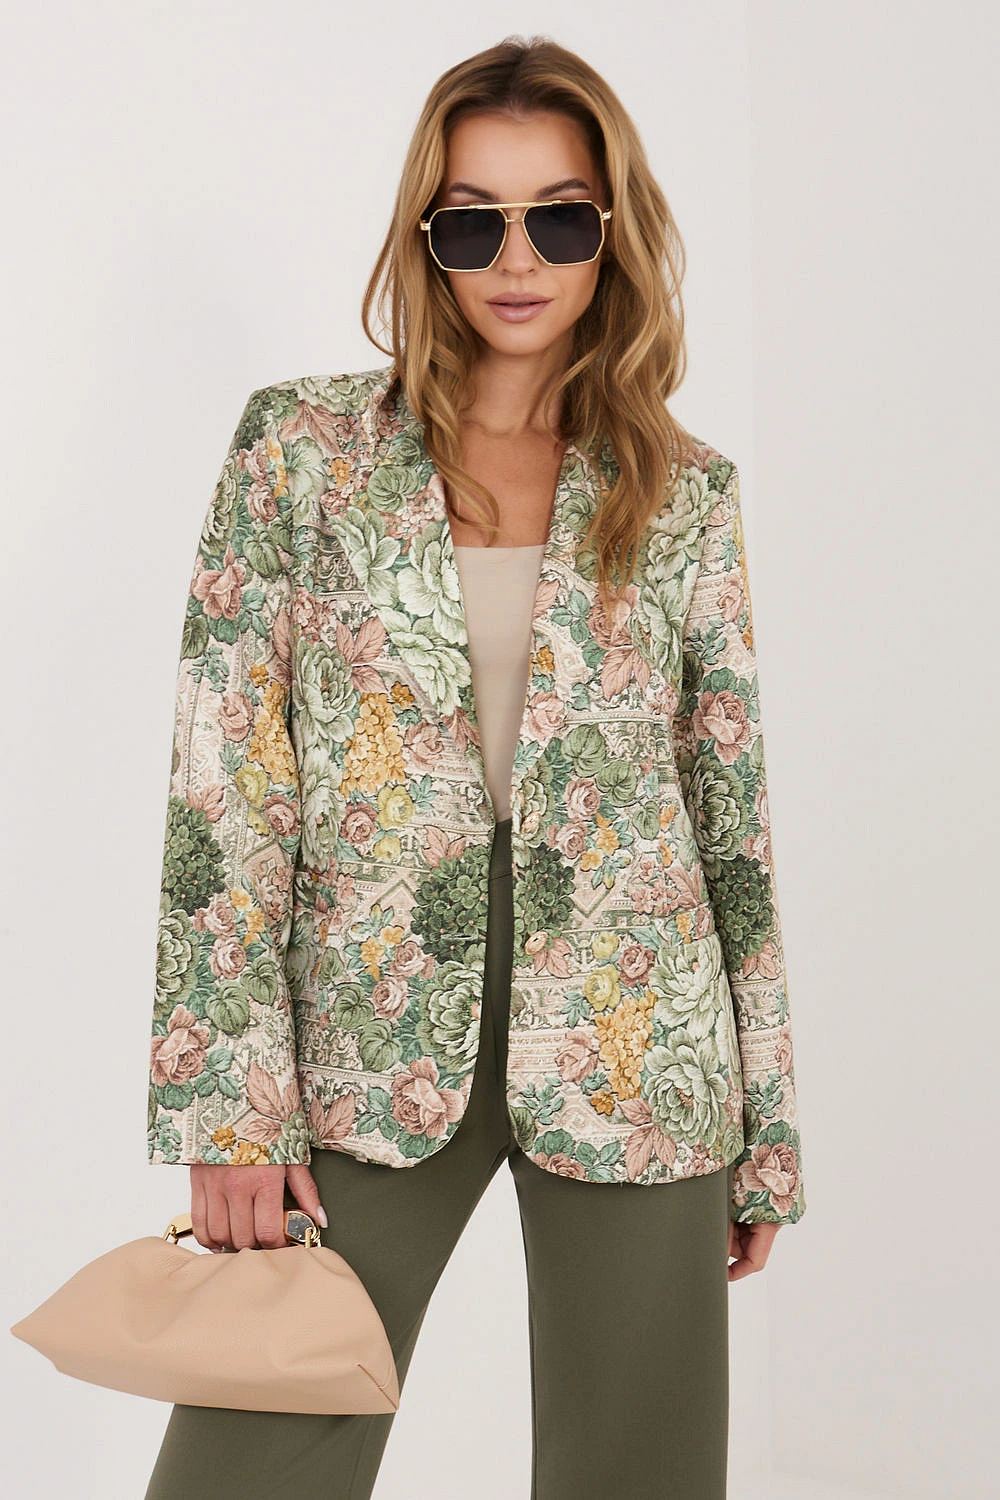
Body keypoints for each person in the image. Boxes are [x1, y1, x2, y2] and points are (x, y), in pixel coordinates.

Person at [144, 33, 806, 1500]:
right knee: (247, 1467)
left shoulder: (683, 493)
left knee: (638, 1478)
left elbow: (729, 820)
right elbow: (223, 787)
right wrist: (228, 1107)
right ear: (426, 238)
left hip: (639, 1048)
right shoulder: (302, 453)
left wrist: (767, 1128)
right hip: (363, 1041)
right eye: (474, 222)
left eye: (560, 219)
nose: (518, 259)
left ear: (613, 234)